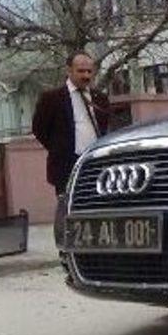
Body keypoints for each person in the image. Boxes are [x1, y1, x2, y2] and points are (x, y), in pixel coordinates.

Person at [31, 52, 110, 246]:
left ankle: (96, 246)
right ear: (69, 71)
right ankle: (65, 248)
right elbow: (39, 129)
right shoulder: (52, 98)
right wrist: (59, 149)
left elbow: (104, 127)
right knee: (67, 207)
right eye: (81, 71)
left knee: (97, 205)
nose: (86, 76)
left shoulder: (99, 98)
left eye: (89, 71)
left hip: (95, 163)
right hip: (66, 164)